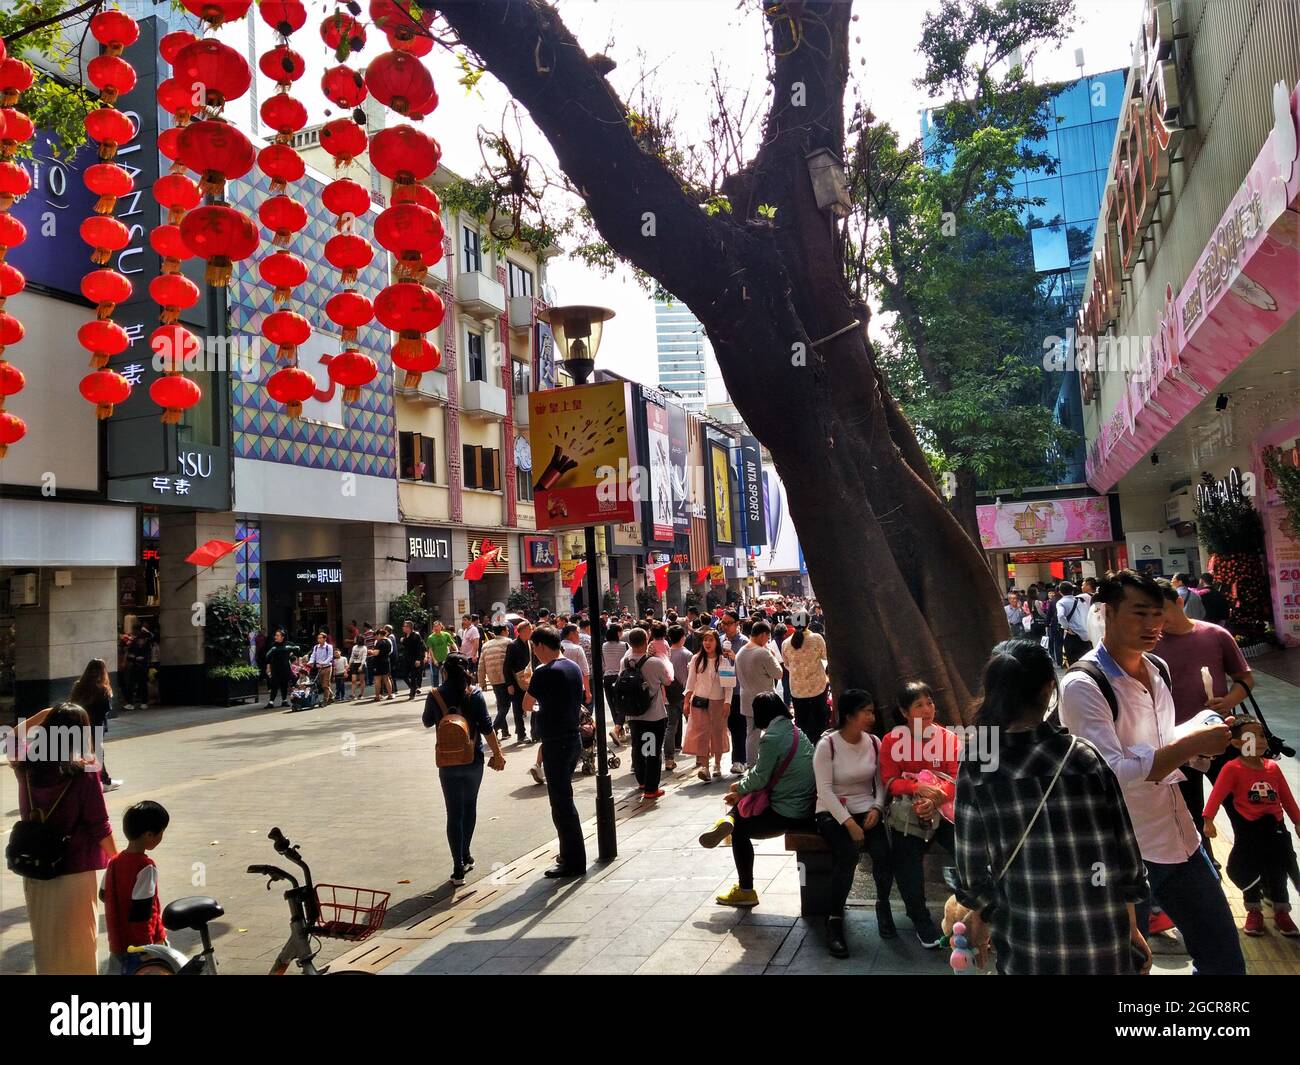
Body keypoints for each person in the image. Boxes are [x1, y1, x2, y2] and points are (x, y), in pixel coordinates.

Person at [1058, 568, 1245, 975]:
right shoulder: (1083, 685)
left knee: (1224, 962)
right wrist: (1191, 744)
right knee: (1128, 967)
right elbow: (1110, 773)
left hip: (1180, 838)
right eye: (1139, 614)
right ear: (1107, 613)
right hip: (1121, 854)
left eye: (1156, 614)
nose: (1151, 625)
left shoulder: (1157, 667)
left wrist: (1204, 730)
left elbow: (1161, 741)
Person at [954, 641, 1151, 975]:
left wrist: (987, 914)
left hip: (1027, 948)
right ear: (1049, 689)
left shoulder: (979, 764)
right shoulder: (1085, 758)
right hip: (1102, 946)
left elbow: (971, 875)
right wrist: (1130, 928)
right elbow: (1126, 860)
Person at [11, 703, 118, 974]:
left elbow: (11, 737)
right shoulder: (84, 770)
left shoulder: (27, 766)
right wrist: (118, 860)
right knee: (79, 945)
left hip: (36, 868)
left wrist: (44, 713)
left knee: (47, 943)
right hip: (75, 872)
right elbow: (99, 824)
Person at [1152, 578, 1255, 854]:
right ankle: (1209, 868)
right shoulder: (1149, 646)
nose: (1160, 620)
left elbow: (1244, 677)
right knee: (1190, 816)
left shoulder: (1215, 635)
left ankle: (1254, 871)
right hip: (1176, 743)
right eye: (1151, 613)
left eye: (1162, 610)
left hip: (1223, 736)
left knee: (1243, 807)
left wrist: (1229, 701)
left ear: (1180, 602)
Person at [703, 693, 816, 908]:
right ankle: (730, 819)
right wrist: (745, 786)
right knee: (742, 800)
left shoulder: (771, 737)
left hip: (789, 811)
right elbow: (765, 772)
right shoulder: (794, 730)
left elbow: (761, 777)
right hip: (805, 802)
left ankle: (746, 890)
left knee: (739, 831)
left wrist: (740, 787)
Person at [878, 680, 959, 948]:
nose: (927, 710)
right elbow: (889, 780)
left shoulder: (948, 739)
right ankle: (919, 917)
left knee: (967, 847)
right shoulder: (892, 741)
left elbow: (957, 778)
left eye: (930, 703)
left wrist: (937, 797)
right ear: (904, 712)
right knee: (905, 854)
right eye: (918, 705)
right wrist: (916, 789)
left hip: (944, 811)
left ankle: (974, 911)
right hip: (909, 812)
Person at [814, 689, 894, 956]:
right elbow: (824, 790)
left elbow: (881, 782)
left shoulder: (874, 742)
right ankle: (834, 920)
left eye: (872, 711)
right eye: (866, 711)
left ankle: (883, 906)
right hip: (832, 811)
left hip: (866, 808)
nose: (872, 716)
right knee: (847, 854)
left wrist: (877, 807)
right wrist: (848, 823)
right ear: (849, 716)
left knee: (883, 852)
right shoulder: (828, 745)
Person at [1203, 716, 1300, 937]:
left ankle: (1282, 911)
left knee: (1279, 869)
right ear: (1237, 743)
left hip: (1276, 829)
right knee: (1245, 866)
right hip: (1249, 830)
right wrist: (1208, 820)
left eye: (1262, 735)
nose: (1260, 740)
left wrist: (1297, 821)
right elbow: (1217, 795)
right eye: (1252, 736)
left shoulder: (1273, 768)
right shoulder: (1232, 768)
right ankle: (1253, 909)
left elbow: (1286, 798)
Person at [422, 653, 506, 886]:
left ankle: (457, 866)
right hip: (472, 760)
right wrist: (497, 754)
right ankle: (466, 854)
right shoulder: (475, 694)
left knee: (453, 813)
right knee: (469, 807)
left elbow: (427, 722)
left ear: (445, 671)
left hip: (447, 763)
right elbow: (487, 728)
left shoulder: (435, 694)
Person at [524, 626, 587, 877]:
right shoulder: (571, 666)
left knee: (561, 804)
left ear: (540, 646)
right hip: (574, 739)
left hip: (555, 742)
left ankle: (573, 861)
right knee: (564, 799)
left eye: (534, 649)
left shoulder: (543, 672)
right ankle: (568, 854)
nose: (535, 654)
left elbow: (526, 704)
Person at [102, 801, 170, 974]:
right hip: (143, 947)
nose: (162, 836)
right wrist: (147, 948)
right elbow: (142, 912)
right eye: (161, 832)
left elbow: (104, 894)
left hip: (118, 943)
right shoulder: (145, 866)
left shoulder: (115, 862)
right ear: (149, 835)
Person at [621, 627, 674, 802]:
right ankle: (651, 788)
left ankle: (642, 782)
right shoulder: (655, 662)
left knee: (639, 748)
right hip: (653, 715)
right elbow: (667, 680)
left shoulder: (625, 661)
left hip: (634, 715)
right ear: (646, 641)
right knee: (651, 751)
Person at [682, 628, 732, 782]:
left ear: (717, 642)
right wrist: (686, 701)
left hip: (718, 702)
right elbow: (690, 682)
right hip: (699, 702)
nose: (707, 643)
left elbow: (728, 686)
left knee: (717, 732)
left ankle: (717, 764)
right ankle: (704, 766)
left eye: (711, 640)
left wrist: (727, 703)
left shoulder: (723, 661)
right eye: (705, 640)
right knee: (701, 733)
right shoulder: (697, 659)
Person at [735, 620, 783, 769]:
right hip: (766, 700)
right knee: (773, 731)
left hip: (747, 698)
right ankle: (773, 762)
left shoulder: (740, 652)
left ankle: (752, 764)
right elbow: (779, 674)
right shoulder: (763, 652)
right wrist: (772, 655)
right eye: (767, 637)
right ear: (763, 635)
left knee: (752, 734)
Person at [69, 658, 120, 792]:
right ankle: (99, 782)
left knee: (86, 753)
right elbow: (106, 709)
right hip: (96, 726)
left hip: (80, 724)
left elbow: (72, 703)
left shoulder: (78, 686)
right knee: (97, 754)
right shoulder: (102, 689)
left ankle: (99, 780)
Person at [782, 618, 829, 739]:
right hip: (817, 687)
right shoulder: (816, 638)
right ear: (808, 623)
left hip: (797, 690)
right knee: (819, 721)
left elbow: (786, 664)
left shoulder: (786, 643)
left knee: (801, 721)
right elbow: (825, 656)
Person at [720, 610, 750, 774]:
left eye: (728, 623)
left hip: (739, 690)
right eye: (723, 623)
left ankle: (739, 760)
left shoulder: (744, 642)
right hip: (723, 690)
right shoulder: (719, 640)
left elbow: (747, 667)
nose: (725, 626)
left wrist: (734, 656)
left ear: (737, 624)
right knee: (730, 726)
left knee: (739, 727)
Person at [477, 624, 513, 738]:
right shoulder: (508, 642)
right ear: (503, 631)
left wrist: (482, 682)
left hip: (493, 679)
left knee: (501, 704)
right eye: (507, 630)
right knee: (505, 706)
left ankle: (505, 732)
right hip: (506, 678)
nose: (508, 631)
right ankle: (494, 729)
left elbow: (481, 665)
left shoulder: (486, 645)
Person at [504, 619, 535, 744]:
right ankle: (521, 734)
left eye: (531, 630)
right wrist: (509, 684)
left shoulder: (530, 644)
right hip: (516, 681)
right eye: (528, 631)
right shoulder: (512, 645)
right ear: (520, 632)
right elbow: (506, 666)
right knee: (518, 708)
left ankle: (535, 732)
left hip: (529, 679)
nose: (530, 632)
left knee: (532, 706)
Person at [664, 624, 691, 771]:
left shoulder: (665, 654)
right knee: (693, 724)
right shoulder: (687, 654)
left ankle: (668, 758)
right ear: (682, 637)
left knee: (671, 726)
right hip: (685, 694)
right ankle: (700, 755)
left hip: (670, 694)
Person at [600, 623, 630, 749]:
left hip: (607, 678)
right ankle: (618, 729)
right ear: (618, 633)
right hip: (621, 677)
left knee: (612, 705)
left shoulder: (603, 646)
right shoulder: (624, 646)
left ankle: (620, 731)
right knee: (624, 703)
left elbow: (603, 663)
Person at [1056, 581, 1092, 665]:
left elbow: (1060, 616)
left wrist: (1066, 627)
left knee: (1073, 662)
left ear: (1060, 592)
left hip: (1072, 635)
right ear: (1072, 590)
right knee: (1087, 662)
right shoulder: (1081, 600)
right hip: (1085, 635)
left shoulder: (1061, 602)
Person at [264, 628, 294, 708]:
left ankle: (284, 701)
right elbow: (268, 657)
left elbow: (295, 652)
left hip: (285, 668)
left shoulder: (288, 644)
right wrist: (268, 667)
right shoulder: (272, 645)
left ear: (282, 637)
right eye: (275, 635)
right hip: (275, 668)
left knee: (284, 684)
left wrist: (292, 655)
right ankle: (271, 702)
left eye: (277, 635)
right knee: (274, 685)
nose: (275, 637)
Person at [123, 627, 150, 710]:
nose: (140, 641)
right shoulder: (134, 646)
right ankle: (130, 703)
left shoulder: (146, 648)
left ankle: (144, 703)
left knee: (143, 686)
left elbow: (144, 658)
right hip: (134, 668)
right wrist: (135, 658)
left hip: (143, 669)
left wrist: (135, 657)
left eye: (141, 640)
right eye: (139, 640)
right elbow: (129, 656)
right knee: (130, 685)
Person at [399, 620, 427, 701]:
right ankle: (413, 688)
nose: (403, 628)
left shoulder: (416, 635)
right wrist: (403, 641)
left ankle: (412, 693)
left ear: (409, 627)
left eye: (404, 626)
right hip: (407, 659)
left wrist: (418, 659)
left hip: (415, 659)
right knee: (404, 675)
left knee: (414, 676)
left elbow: (419, 648)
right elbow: (406, 646)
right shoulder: (405, 635)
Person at [425, 619, 455, 688]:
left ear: (441, 626)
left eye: (437, 626)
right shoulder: (431, 637)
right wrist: (434, 659)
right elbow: (430, 649)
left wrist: (456, 650)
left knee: (444, 674)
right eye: (434, 626)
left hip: (445, 658)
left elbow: (452, 643)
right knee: (435, 675)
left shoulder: (446, 635)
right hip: (435, 660)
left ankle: (445, 688)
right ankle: (436, 689)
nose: (436, 628)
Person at [308, 632, 335, 706]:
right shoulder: (316, 647)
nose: (318, 640)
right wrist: (310, 662)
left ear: (325, 639)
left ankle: (325, 700)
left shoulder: (329, 647)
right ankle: (332, 696)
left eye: (320, 638)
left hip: (327, 667)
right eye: (318, 638)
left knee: (325, 685)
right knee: (323, 685)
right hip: (319, 668)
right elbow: (313, 656)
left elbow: (330, 657)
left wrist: (324, 662)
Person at [369, 625, 395, 701]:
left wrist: (371, 651)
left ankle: (377, 696)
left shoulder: (379, 643)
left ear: (379, 634)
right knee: (386, 679)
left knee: (377, 679)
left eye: (376, 636)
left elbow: (376, 653)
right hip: (386, 661)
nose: (375, 637)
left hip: (378, 662)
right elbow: (390, 652)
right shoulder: (388, 641)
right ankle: (390, 694)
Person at [1045, 586, 1064, 665]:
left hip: (1055, 625)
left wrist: (1047, 624)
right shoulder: (1069, 600)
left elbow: (1049, 614)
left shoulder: (1053, 601)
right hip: (1068, 625)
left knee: (1057, 643)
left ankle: (1060, 661)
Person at [348, 634, 368, 701]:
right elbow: (352, 656)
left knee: (361, 680)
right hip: (354, 664)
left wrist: (361, 666)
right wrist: (349, 664)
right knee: (353, 680)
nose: (354, 639)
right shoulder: (354, 647)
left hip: (361, 664)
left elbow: (364, 658)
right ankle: (353, 694)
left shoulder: (364, 648)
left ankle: (361, 694)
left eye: (355, 638)